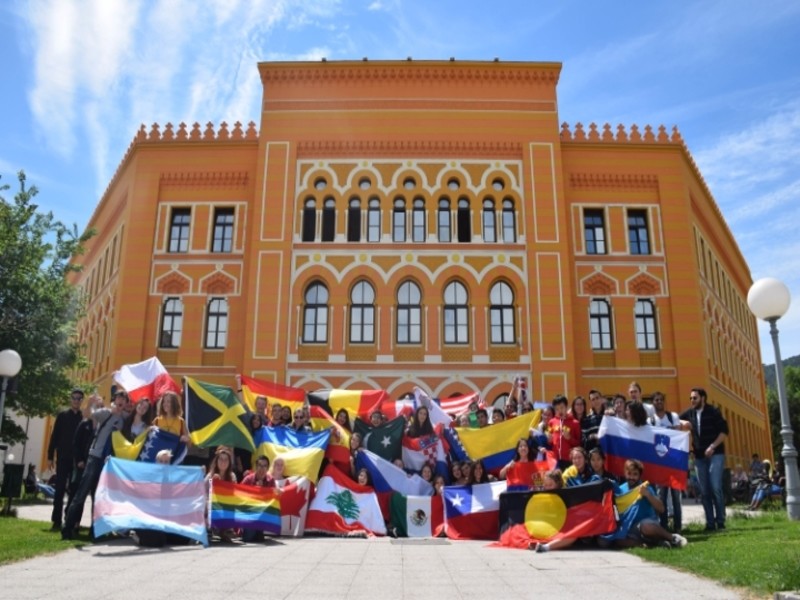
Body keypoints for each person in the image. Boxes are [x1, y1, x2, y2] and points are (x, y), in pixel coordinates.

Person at [62, 390, 129, 540]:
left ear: (125, 404)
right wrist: (90, 402)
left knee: (99, 497)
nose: (120, 401)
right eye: (118, 398)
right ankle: (67, 528)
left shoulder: (124, 419)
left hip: (107, 462)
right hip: (94, 458)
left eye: (123, 400)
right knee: (81, 494)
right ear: (114, 400)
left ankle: (95, 531)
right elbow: (87, 415)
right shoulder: (106, 413)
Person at [610, 459, 688, 549]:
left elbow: (661, 509)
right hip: (630, 528)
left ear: (639, 476)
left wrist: (647, 495)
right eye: (629, 474)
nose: (632, 477)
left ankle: (673, 538)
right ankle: (650, 543)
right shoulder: (620, 490)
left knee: (646, 527)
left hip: (647, 523)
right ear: (625, 473)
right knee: (618, 539)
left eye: (635, 474)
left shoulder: (646, 488)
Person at [680, 387, 728, 531]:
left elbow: (724, 431)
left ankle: (720, 521)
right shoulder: (690, 413)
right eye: (690, 398)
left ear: (703, 398)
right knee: (704, 491)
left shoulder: (714, 411)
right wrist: (683, 423)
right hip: (699, 457)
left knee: (715, 487)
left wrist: (712, 446)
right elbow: (675, 419)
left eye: (695, 398)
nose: (692, 400)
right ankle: (710, 523)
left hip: (716, 454)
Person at [47, 388, 84, 531]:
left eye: (79, 398)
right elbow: (54, 436)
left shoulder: (84, 418)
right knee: (59, 489)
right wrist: (50, 456)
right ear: (70, 399)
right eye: (74, 398)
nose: (76, 400)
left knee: (74, 491)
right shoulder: (62, 416)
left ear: (82, 401)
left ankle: (69, 518)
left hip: (77, 461)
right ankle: (56, 521)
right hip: (62, 458)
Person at [649, 391, 685, 532]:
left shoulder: (673, 416)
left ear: (664, 401)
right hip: (659, 464)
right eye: (656, 400)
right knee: (661, 496)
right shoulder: (650, 421)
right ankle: (663, 527)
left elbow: (678, 433)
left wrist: (662, 432)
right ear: (653, 403)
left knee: (676, 496)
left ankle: (678, 527)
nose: (659, 402)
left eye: (661, 400)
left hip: (674, 462)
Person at [548, 395, 580, 470]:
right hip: (555, 460)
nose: (560, 411)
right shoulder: (551, 422)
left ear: (566, 407)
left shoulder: (575, 423)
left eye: (562, 407)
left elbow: (578, 443)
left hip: (569, 460)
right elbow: (549, 442)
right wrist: (549, 441)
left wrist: (569, 438)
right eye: (557, 409)